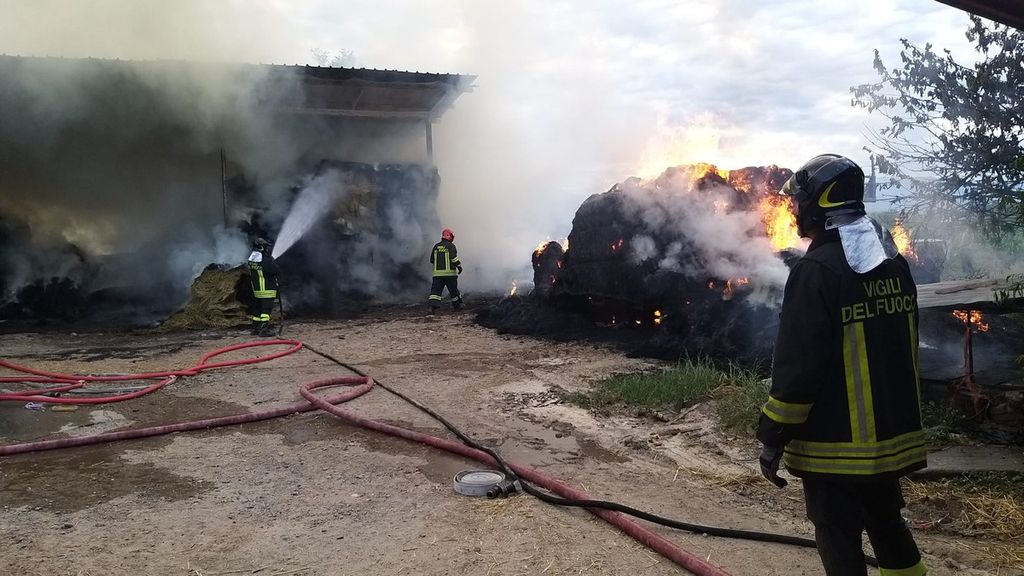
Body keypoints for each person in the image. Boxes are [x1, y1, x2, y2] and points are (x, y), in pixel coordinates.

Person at [757, 154, 928, 576]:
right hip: (889, 436)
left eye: (800, 201)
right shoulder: (892, 263)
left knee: (837, 534)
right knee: (887, 524)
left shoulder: (816, 271)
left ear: (819, 203)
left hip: (835, 443)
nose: (795, 210)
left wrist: (773, 434)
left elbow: (798, 368)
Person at [246, 237, 279, 335]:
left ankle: (255, 328)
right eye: (265, 247)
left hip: (257, 290)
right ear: (261, 247)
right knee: (266, 311)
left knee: (257, 310)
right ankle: (264, 330)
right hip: (267, 289)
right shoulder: (265, 260)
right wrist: (272, 261)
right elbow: (275, 270)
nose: (267, 249)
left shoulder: (252, 259)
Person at [427, 227, 463, 314]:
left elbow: (432, 260)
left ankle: (431, 308)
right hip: (450, 275)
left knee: (435, 292)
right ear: (449, 236)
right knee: (453, 291)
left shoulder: (436, 246)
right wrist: (459, 266)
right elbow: (453, 258)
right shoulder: (451, 246)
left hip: (437, 275)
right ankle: (457, 306)